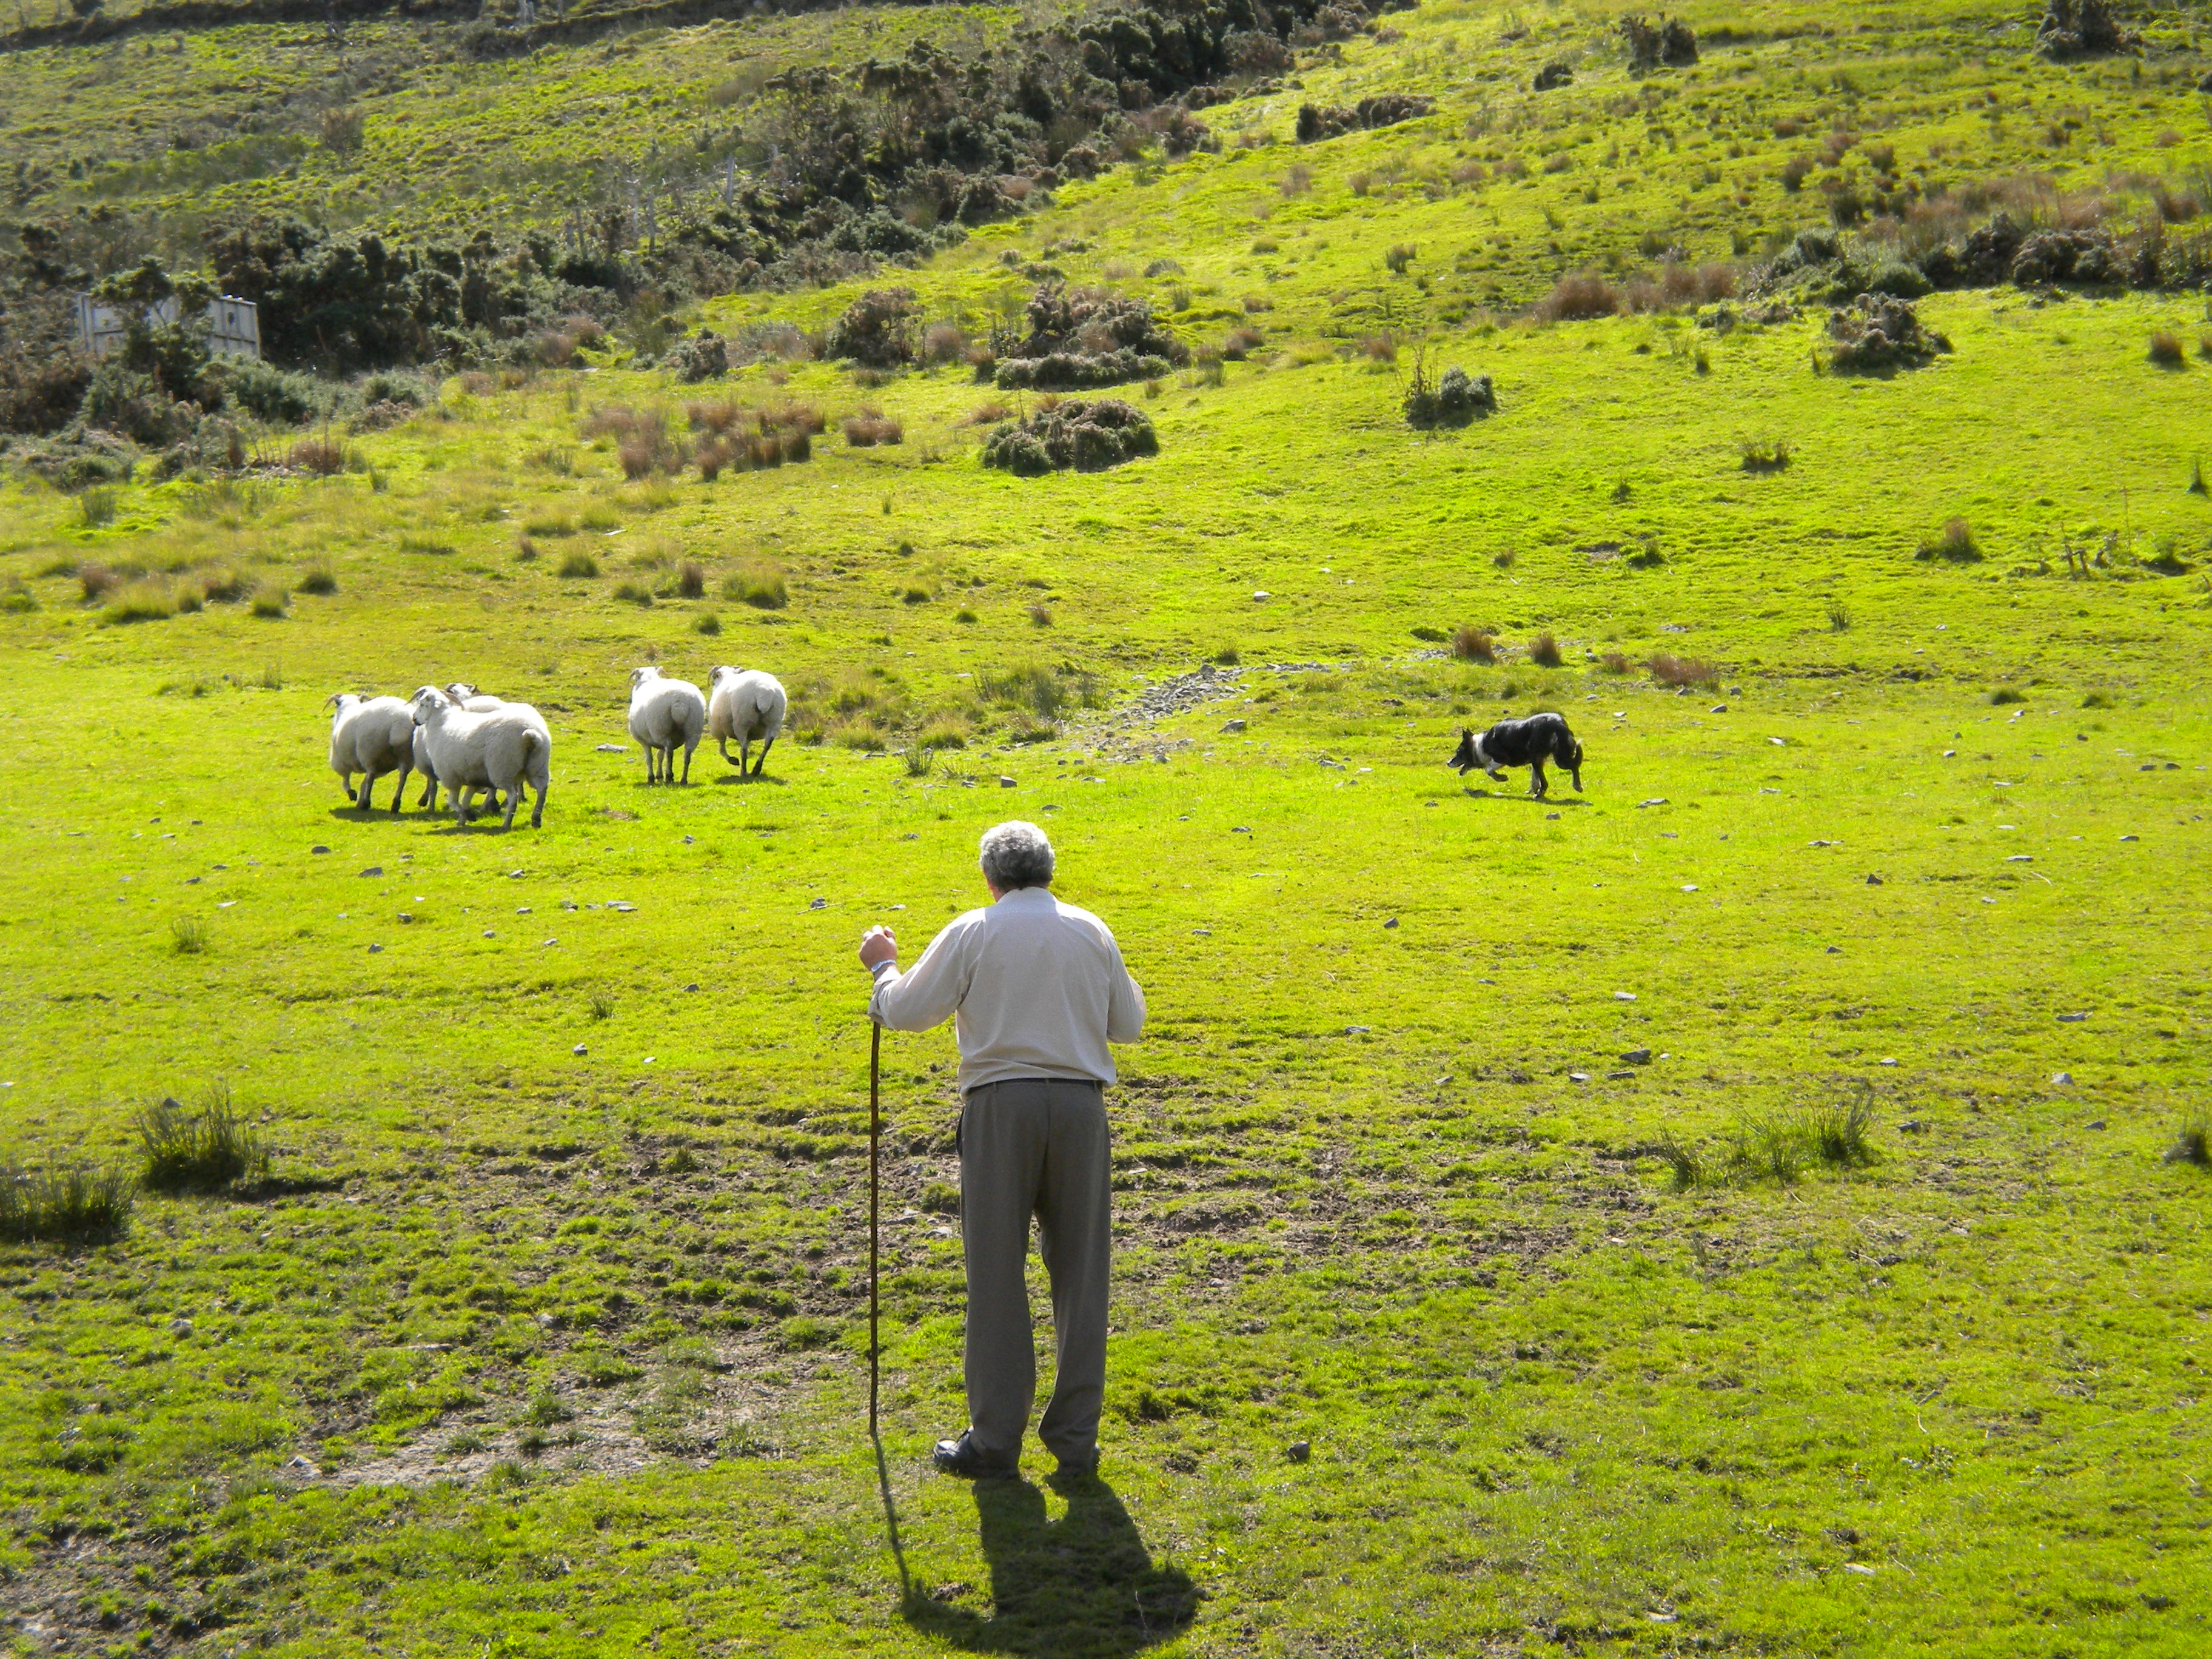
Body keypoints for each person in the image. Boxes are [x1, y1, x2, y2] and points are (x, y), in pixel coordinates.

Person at [858, 820, 1145, 1481]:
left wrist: (882, 967)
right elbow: (1129, 1025)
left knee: (995, 1274)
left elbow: (905, 1012)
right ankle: (1076, 1441)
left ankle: (994, 1440)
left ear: (990, 878)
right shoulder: (1091, 930)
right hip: (1080, 1110)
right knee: (1082, 1276)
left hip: (1000, 1107)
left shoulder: (974, 930)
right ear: (1049, 871)